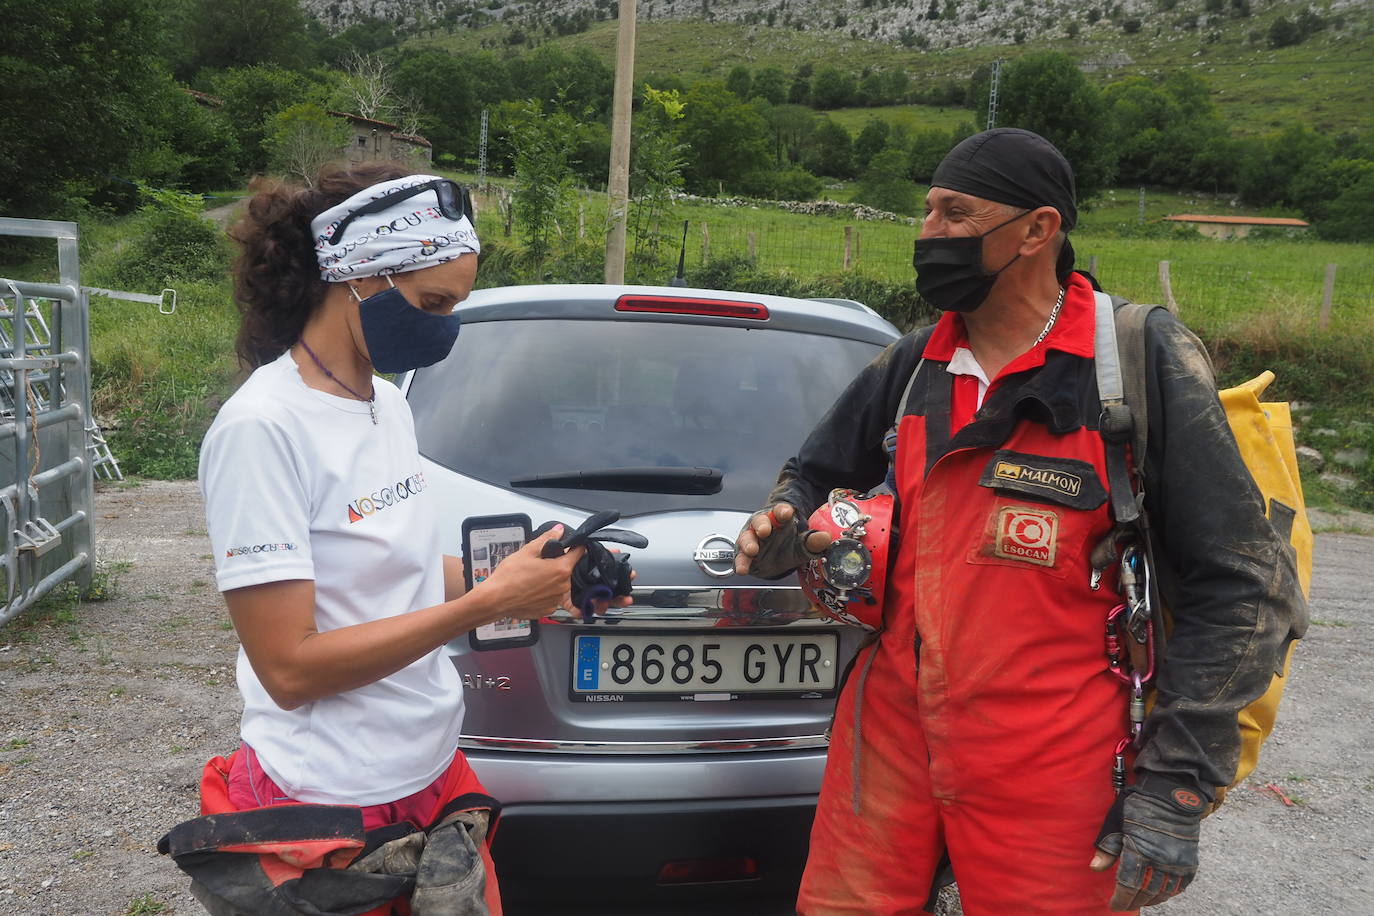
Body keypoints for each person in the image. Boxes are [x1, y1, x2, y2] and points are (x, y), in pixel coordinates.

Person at [733, 129, 1303, 915]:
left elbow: (1245, 586)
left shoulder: (1133, 363)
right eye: (927, 211)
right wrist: (786, 521)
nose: (928, 233)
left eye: (955, 213)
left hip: (1057, 768)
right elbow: (816, 473)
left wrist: (1175, 787)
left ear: (1038, 230)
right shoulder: (913, 366)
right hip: (886, 751)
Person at [180, 164, 621, 916]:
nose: (444, 327)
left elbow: (403, 571)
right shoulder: (263, 429)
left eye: (454, 306)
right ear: (358, 278)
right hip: (328, 798)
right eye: (432, 303)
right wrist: (485, 606)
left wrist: (539, 580)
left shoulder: (385, 403)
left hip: (429, 772)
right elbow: (288, 668)